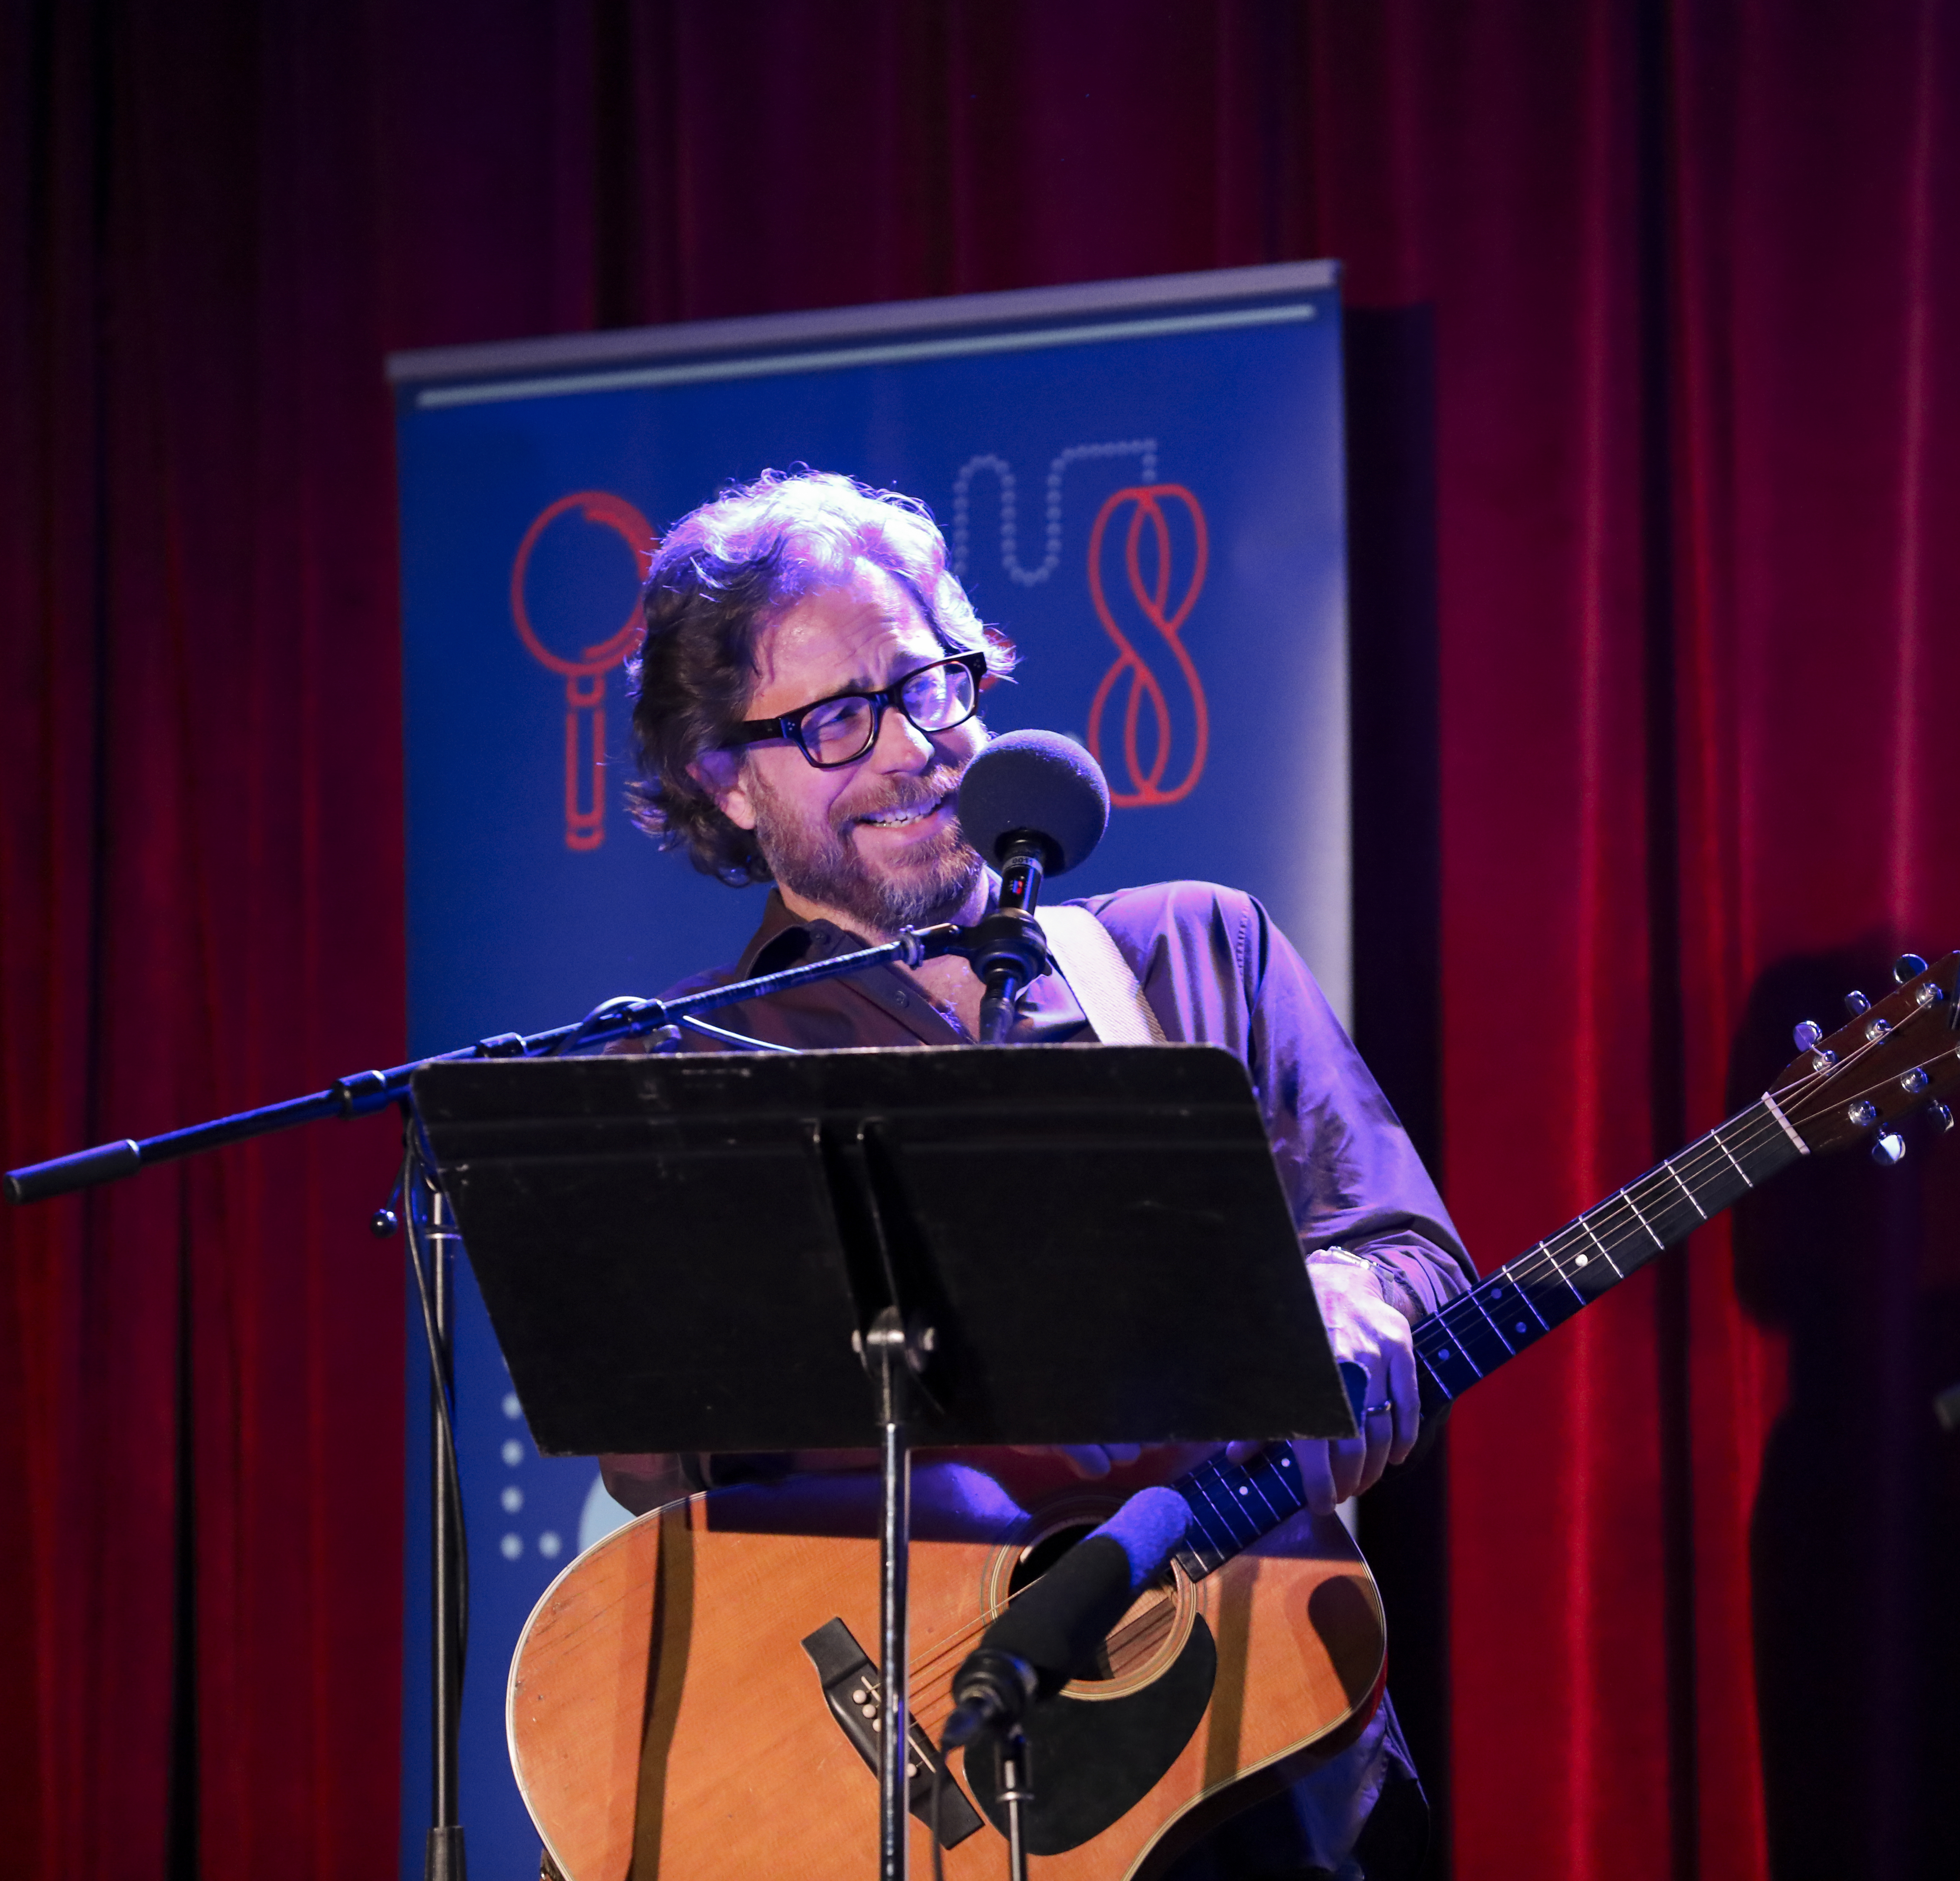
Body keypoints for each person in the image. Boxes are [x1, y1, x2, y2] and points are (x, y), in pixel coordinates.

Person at [599, 468, 1471, 1880]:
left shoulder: (1196, 955)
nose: (906, 749)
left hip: (1253, 1765)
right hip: (912, 1798)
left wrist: (1356, 1294)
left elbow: (1410, 1257)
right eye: (833, 720)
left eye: (928, 682)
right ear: (726, 777)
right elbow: (654, 1463)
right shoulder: (698, 1074)